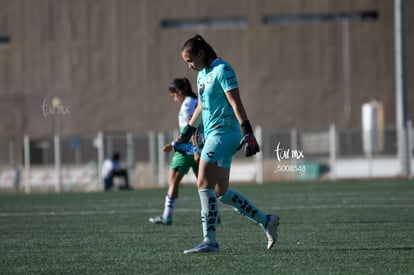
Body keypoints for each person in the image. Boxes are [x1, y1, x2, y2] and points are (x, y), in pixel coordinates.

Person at [175, 34, 280, 253]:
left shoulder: (223, 70)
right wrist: (186, 133)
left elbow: (235, 102)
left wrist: (248, 132)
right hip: (215, 136)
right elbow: (202, 107)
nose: (189, 65)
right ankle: (266, 220)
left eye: (190, 59)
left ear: (202, 53)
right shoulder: (202, 75)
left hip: (225, 134)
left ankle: (210, 241)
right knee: (220, 191)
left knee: (202, 181)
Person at [149, 77, 200, 225]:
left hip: (187, 149)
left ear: (179, 91)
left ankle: (167, 216)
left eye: (173, 95)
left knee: (173, 181)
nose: (173, 99)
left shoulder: (187, 105)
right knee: (204, 184)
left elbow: (192, 128)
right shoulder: (194, 101)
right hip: (197, 148)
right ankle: (213, 214)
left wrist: (177, 146)